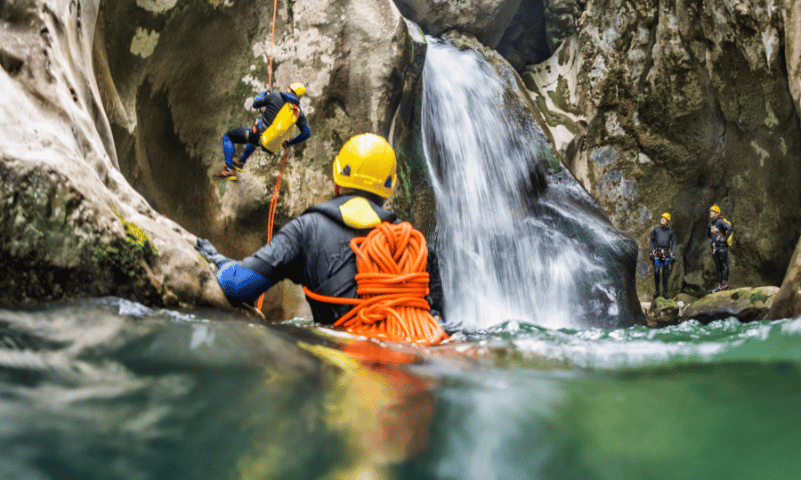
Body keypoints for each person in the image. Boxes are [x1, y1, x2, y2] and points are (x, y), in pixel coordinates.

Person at [197, 133, 445, 326]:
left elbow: (239, 285)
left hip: (343, 363)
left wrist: (217, 260)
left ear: (337, 181)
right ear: (388, 189)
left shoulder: (307, 230)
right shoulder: (417, 245)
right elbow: (437, 321)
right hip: (413, 365)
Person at [214, 82, 311, 180]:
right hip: (269, 142)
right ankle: (241, 161)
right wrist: (289, 143)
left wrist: (264, 93)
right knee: (256, 139)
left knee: (228, 137)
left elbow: (255, 104)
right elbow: (306, 133)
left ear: (289, 89)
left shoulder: (274, 96)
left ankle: (229, 169)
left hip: (257, 135)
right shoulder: (298, 113)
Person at [648, 212, 677, 299]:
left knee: (665, 272)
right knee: (656, 271)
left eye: (664, 219)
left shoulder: (670, 232)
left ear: (668, 221)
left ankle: (665, 292)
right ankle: (657, 291)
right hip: (657, 253)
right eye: (662, 218)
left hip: (666, 254)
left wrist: (674, 254)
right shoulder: (656, 230)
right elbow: (651, 241)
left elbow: (674, 242)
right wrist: (650, 252)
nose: (662, 219)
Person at [707, 205, 733, 293]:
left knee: (724, 265)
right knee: (718, 267)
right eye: (710, 211)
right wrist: (711, 241)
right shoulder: (710, 224)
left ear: (717, 213)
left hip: (722, 247)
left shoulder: (721, 222)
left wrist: (724, 239)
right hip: (715, 248)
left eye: (713, 212)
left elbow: (730, 228)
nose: (711, 213)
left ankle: (725, 283)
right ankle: (718, 284)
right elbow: (708, 235)